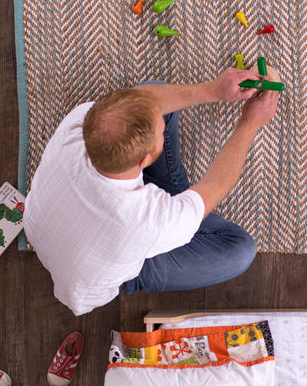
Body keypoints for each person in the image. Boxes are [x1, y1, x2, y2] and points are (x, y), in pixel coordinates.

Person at [23, 67, 279, 316]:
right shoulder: (148, 222)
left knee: (148, 100)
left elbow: (148, 105)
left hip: (44, 228)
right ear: (144, 161)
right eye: (159, 136)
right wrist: (249, 125)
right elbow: (215, 186)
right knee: (239, 250)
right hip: (90, 282)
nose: (161, 125)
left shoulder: (79, 122)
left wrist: (213, 90)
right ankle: (174, 214)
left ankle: (178, 203)